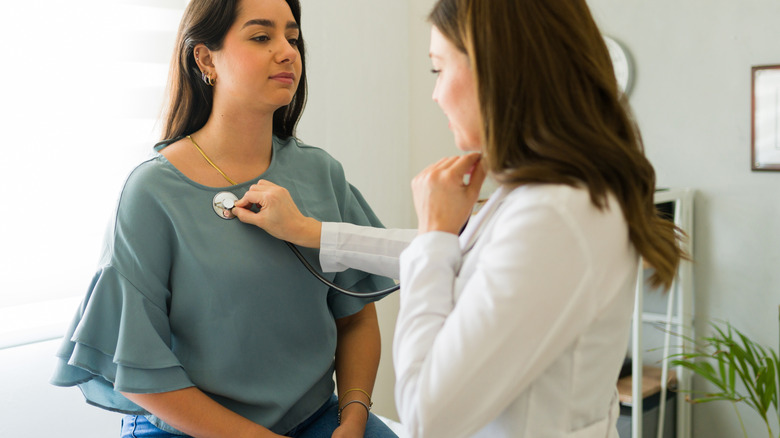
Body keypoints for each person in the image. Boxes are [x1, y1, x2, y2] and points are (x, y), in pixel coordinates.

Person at [232, 0, 686, 437]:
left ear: (496, 70)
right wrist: (306, 230)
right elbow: (474, 262)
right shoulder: (553, 194)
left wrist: (435, 234)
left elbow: (428, 415)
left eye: (439, 68)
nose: (434, 93)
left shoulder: (557, 215)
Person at [50, 1, 399, 437]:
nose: (287, 52)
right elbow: (137, 369)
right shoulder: (151, 194)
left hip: (318, 419)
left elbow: (356, 318)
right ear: (205, 58)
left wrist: (353, 418)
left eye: (292, 38)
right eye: (261, 37)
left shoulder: (321, 173)